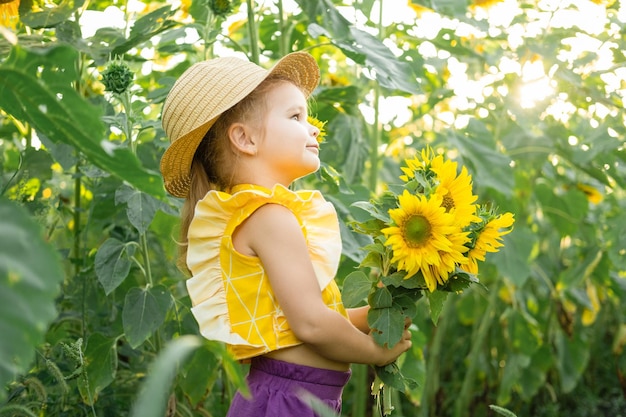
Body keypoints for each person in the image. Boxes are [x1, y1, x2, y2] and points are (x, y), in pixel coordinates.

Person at [159, 51, 412, 417]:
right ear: (245, 139)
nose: (314, 129)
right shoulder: (271, 217)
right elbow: (311, 323)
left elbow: (301, 317)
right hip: (290, 399)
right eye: (296, 116)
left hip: (282, 393)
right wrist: (373, 352)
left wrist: (375, 314)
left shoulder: (253, 213)